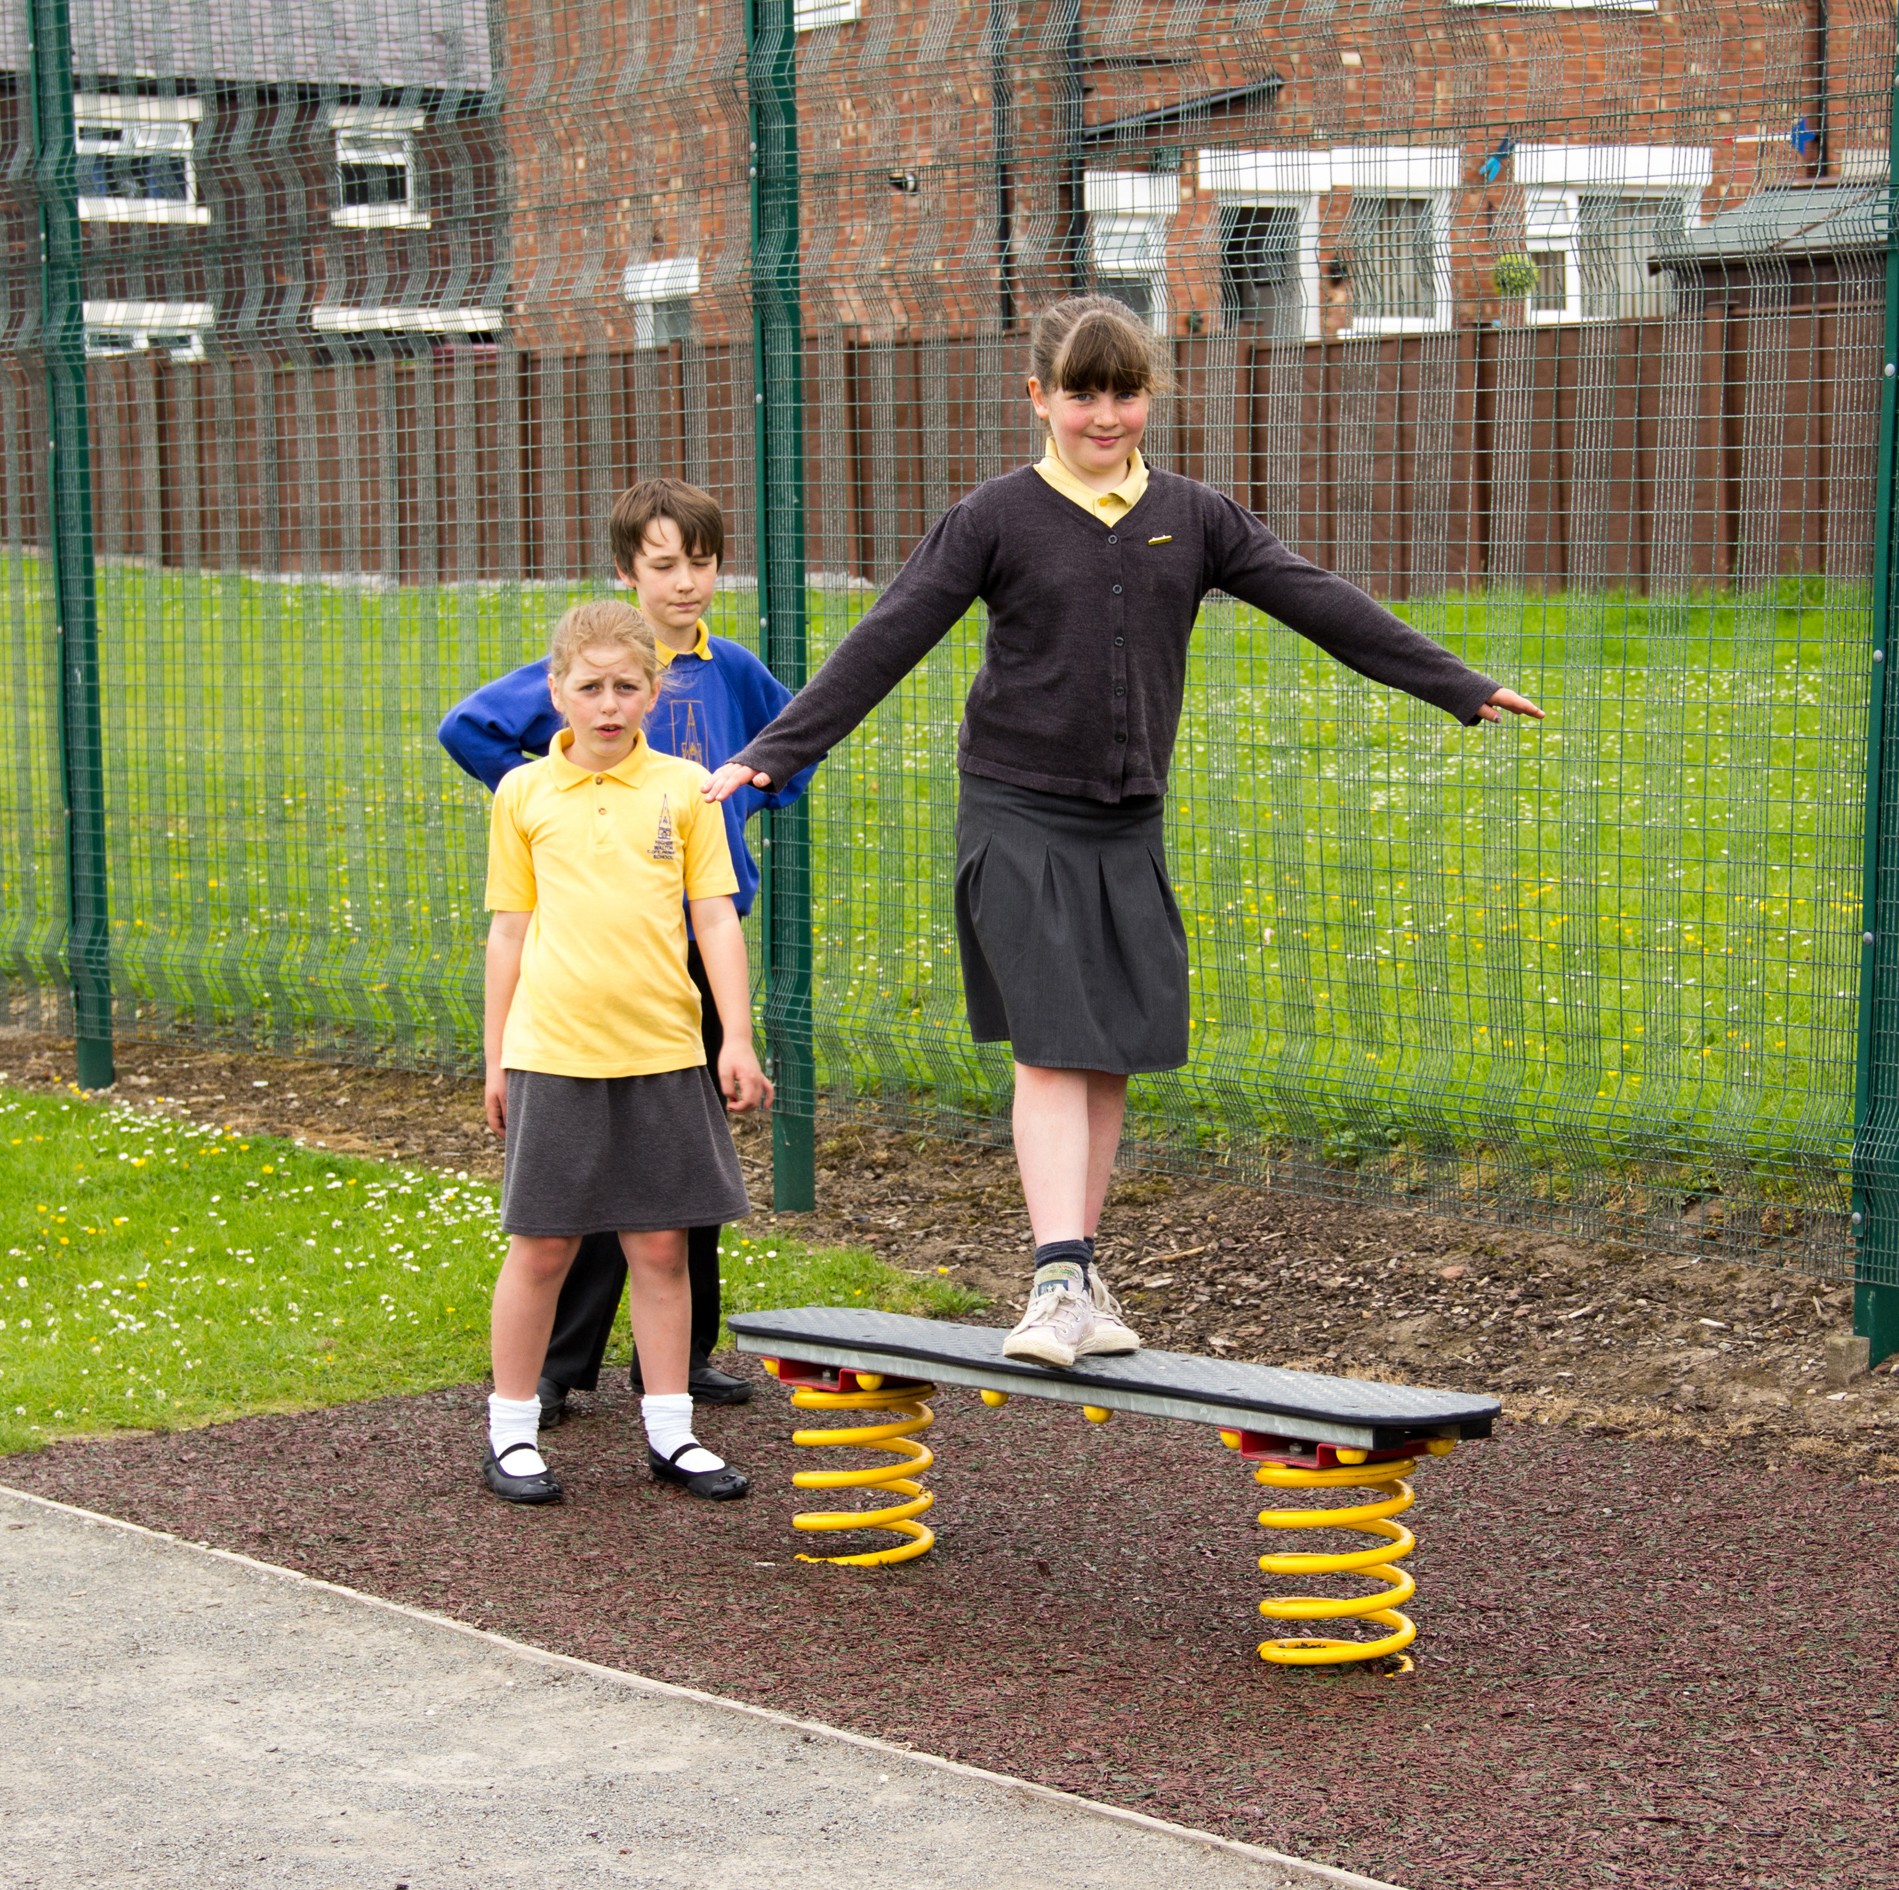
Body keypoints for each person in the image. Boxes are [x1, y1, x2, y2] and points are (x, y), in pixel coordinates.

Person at [706, 293, 1543, 1370]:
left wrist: (1457, 685)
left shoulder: (1195, 516)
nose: (1105, 415)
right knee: (1053, 1045)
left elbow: (1315, 598)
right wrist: (776, 750)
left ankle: (1081, 1273)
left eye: (1125, 393)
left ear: (1149, 396)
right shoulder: (996, 517)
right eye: (1082, 394)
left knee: (1107, 1055)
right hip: (1015, 805)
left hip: (1125, 819)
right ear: (1040, 399)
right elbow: (891, 633)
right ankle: (1054, 1279)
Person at [442, 479, 817, 1424]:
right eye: (663, 566)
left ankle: (683, 1363)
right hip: (593, 949)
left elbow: (795, 740)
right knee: (584, 1173)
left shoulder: (729, 669)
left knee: (678, 1169)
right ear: (628, 573)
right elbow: (471, 731)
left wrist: (744, 796)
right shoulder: (595, 665)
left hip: (694, 930)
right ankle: (565, 1366)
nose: (685, 582)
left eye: (700, 563)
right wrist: (544, 797)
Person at [480, 598, 772, 1505]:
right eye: (588, 687)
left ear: (654, 690)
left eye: (626, 686)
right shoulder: (522, 793)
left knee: (660, 1246)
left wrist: (735, 1036)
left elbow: (714, 916)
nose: (608, 704)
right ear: (556, 692)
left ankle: (672, 1432)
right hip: (553, 1052)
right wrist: (495, 1061)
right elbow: (507, 936)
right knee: (542, 1248)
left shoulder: (685, 790)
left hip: (661, 1051)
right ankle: (512, 1432)